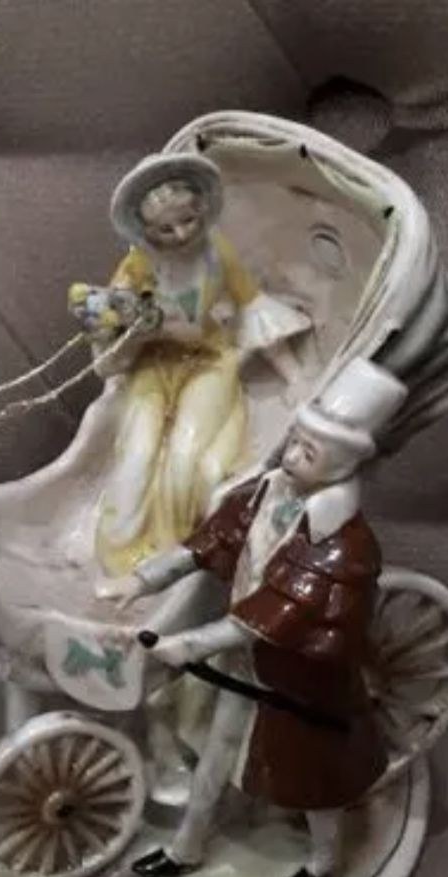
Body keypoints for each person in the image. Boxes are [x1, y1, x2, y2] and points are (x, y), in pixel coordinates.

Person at [98, 358, 405, 877]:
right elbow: (209, 542)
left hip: (301, 682)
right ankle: (187, 848)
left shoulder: (343, 543)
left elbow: (281, 612)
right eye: (295, 442)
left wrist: (191, 644)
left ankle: (323, 858)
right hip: (245, 666)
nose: (292, 455)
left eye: (310, 452)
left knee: (314, 781)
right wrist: (142, 581)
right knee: (216, 754)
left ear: (342, 464)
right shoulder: (268, 493)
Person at [70, 152, 311, 579]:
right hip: (154, 365)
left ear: (203, 210)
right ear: (145, 230)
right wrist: (126, 325)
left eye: (189, 220)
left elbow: (255, 310)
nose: (181, 233)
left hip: (208, 361)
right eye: (165, 229)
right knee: (137, 455)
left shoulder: (217, 254)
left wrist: (294, 376)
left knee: (185, 455)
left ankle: (170, 554)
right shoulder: (138, 266)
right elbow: (111, 333)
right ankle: (122, 555)